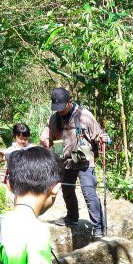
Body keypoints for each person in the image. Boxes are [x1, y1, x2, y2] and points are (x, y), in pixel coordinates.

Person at [40, 88, 109, 236]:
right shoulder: (55, 118)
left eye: (62, 107)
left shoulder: (85, 116)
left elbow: (99, 135)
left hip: (85, 161)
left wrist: (103, 139)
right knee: (67, 191)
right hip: (66, 161)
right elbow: (47, 132)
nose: (60, 111)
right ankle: (72, 217)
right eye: (56, 108)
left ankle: (98, 227)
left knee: (89, 192)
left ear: (70, 102)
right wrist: (45, 139)